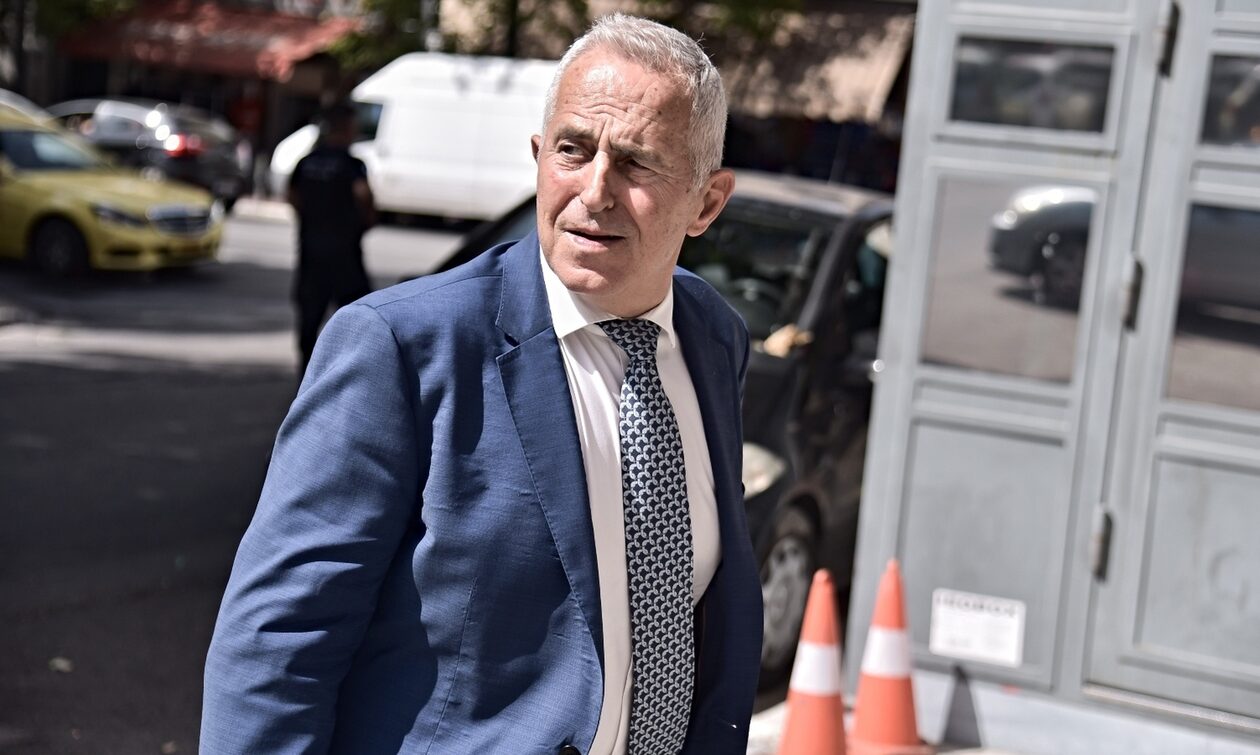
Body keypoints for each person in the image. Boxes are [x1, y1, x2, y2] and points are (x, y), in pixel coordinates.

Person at [202, 14, 761, 755]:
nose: (595, 190)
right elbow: (276, 643)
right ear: (538, 157)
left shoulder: (713, 337)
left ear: (707, 203)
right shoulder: (404, 346)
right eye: (572, 150)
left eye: (636, 163)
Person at [287, 102, 376, 374]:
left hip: (311, 252)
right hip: (344, 255)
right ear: (346, 129)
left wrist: (311, 219)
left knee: (309, 321)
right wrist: (366, 220)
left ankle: (305, 377)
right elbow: (363, 195)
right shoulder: (352, 165)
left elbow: (292, 196)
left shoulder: (307, 162)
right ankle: (348, 375)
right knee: (356, 318)